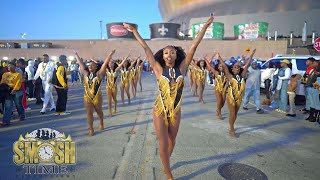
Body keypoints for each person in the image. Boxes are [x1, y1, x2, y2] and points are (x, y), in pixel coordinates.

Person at [123, 14, 214, 180]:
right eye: (166, 52)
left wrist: (205, 27)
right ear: (163, 56)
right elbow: (146, 48)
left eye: (172, 52)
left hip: (176, 111)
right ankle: (168, 172)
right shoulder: (158, 69)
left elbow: (194, 46)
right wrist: (135, 31)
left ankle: (165, 161)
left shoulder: (183, 68)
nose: (169, 54)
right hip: (160, 109)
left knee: (172, 141)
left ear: (175, 55)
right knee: (163, 142)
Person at [75, 50, 115, 136]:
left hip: (97, 96)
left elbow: (105, 64)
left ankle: (101, 122)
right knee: (89, 113)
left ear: (96, 67)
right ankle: (91, 129)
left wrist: (110, 54)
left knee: (99, 111)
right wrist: (76, 55)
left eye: (92, 65)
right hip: (87, 96)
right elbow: (81, 65)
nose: (90, 67)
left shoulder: (99, 74)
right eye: (89, 65)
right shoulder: (85, 73)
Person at [218, 49, 256, 137]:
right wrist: (219, 57)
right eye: (235, 67)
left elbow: (247, 65)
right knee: (232, 113)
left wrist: (252, 54)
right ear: (232, 69)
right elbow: (225, 67)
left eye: (238, 67)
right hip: (231, 97)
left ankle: (231, 125)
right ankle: (232, 129)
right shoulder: (230, 76)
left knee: (235, 114)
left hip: (239, 98)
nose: (237, 68)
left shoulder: (242, 76)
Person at [0, 61, 25, 126]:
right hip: (8, 91)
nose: (9, 67)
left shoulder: (18, 74)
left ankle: (22, 116)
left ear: (15, 67)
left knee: (18, 104)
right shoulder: (5, 74)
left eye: (11, 66)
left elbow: (18, 83)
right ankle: (6, 121)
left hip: (17, 91)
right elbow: (2, 83)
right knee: (8, 106)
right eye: (8, 66)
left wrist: (14, 89)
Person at [204, 55, 228, 120]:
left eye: (222, 66)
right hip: (217, 89)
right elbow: (210, 67)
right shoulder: (216, 72)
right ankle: (219, 113)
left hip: (224, 89)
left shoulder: (227, 74)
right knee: (219, 100)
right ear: (218, 67)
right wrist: (205, 59)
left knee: (222, 103)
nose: (222, 67)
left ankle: (218, 109)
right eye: (220, 66)